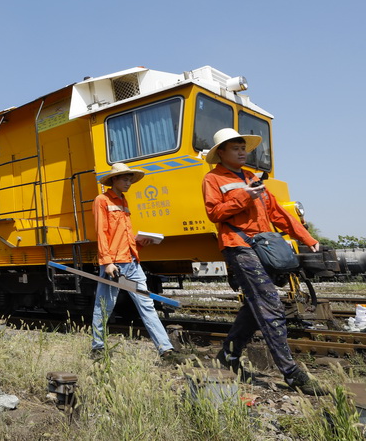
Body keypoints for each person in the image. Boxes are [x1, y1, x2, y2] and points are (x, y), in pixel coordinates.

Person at [202, 128, 327, 396]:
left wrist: (306, 237)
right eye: (234, 147)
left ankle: (228, 357)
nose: (241, 150)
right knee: (269, 303)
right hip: (238, 247)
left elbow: (278, 213)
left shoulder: (252, 177)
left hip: (261, 246)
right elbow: (215, 213)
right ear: (220, 153)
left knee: (254, 305)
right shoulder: (212, 178)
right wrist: (245, 195)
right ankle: (292, 373)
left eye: (243, 146)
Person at [90, 163, 186, 363]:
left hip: (132, 263)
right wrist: (107, 262)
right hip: (115, 264)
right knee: (105, 306)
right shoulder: (102, 200)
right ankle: (97, 347)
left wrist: (139, 243)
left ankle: (165, 349)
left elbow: (122, 235)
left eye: (130, 180)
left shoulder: (124, 201)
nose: (128, 183)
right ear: (114, 180)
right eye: (125, 179)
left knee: (147, 305)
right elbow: (101, 233)